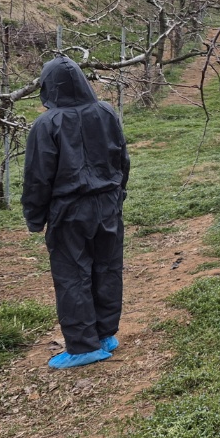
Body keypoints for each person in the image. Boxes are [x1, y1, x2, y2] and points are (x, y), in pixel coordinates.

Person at [22, 56, 130, 370]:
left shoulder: (47, 124)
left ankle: (84, 346)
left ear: (48, 87)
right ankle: (105, 334)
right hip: (107, 204)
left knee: (72, 274)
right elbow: (122, 157)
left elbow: (38, 175)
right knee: (107, 268)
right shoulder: (106, 112)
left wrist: (35, 216)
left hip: (69, 210)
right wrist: (118, 193)